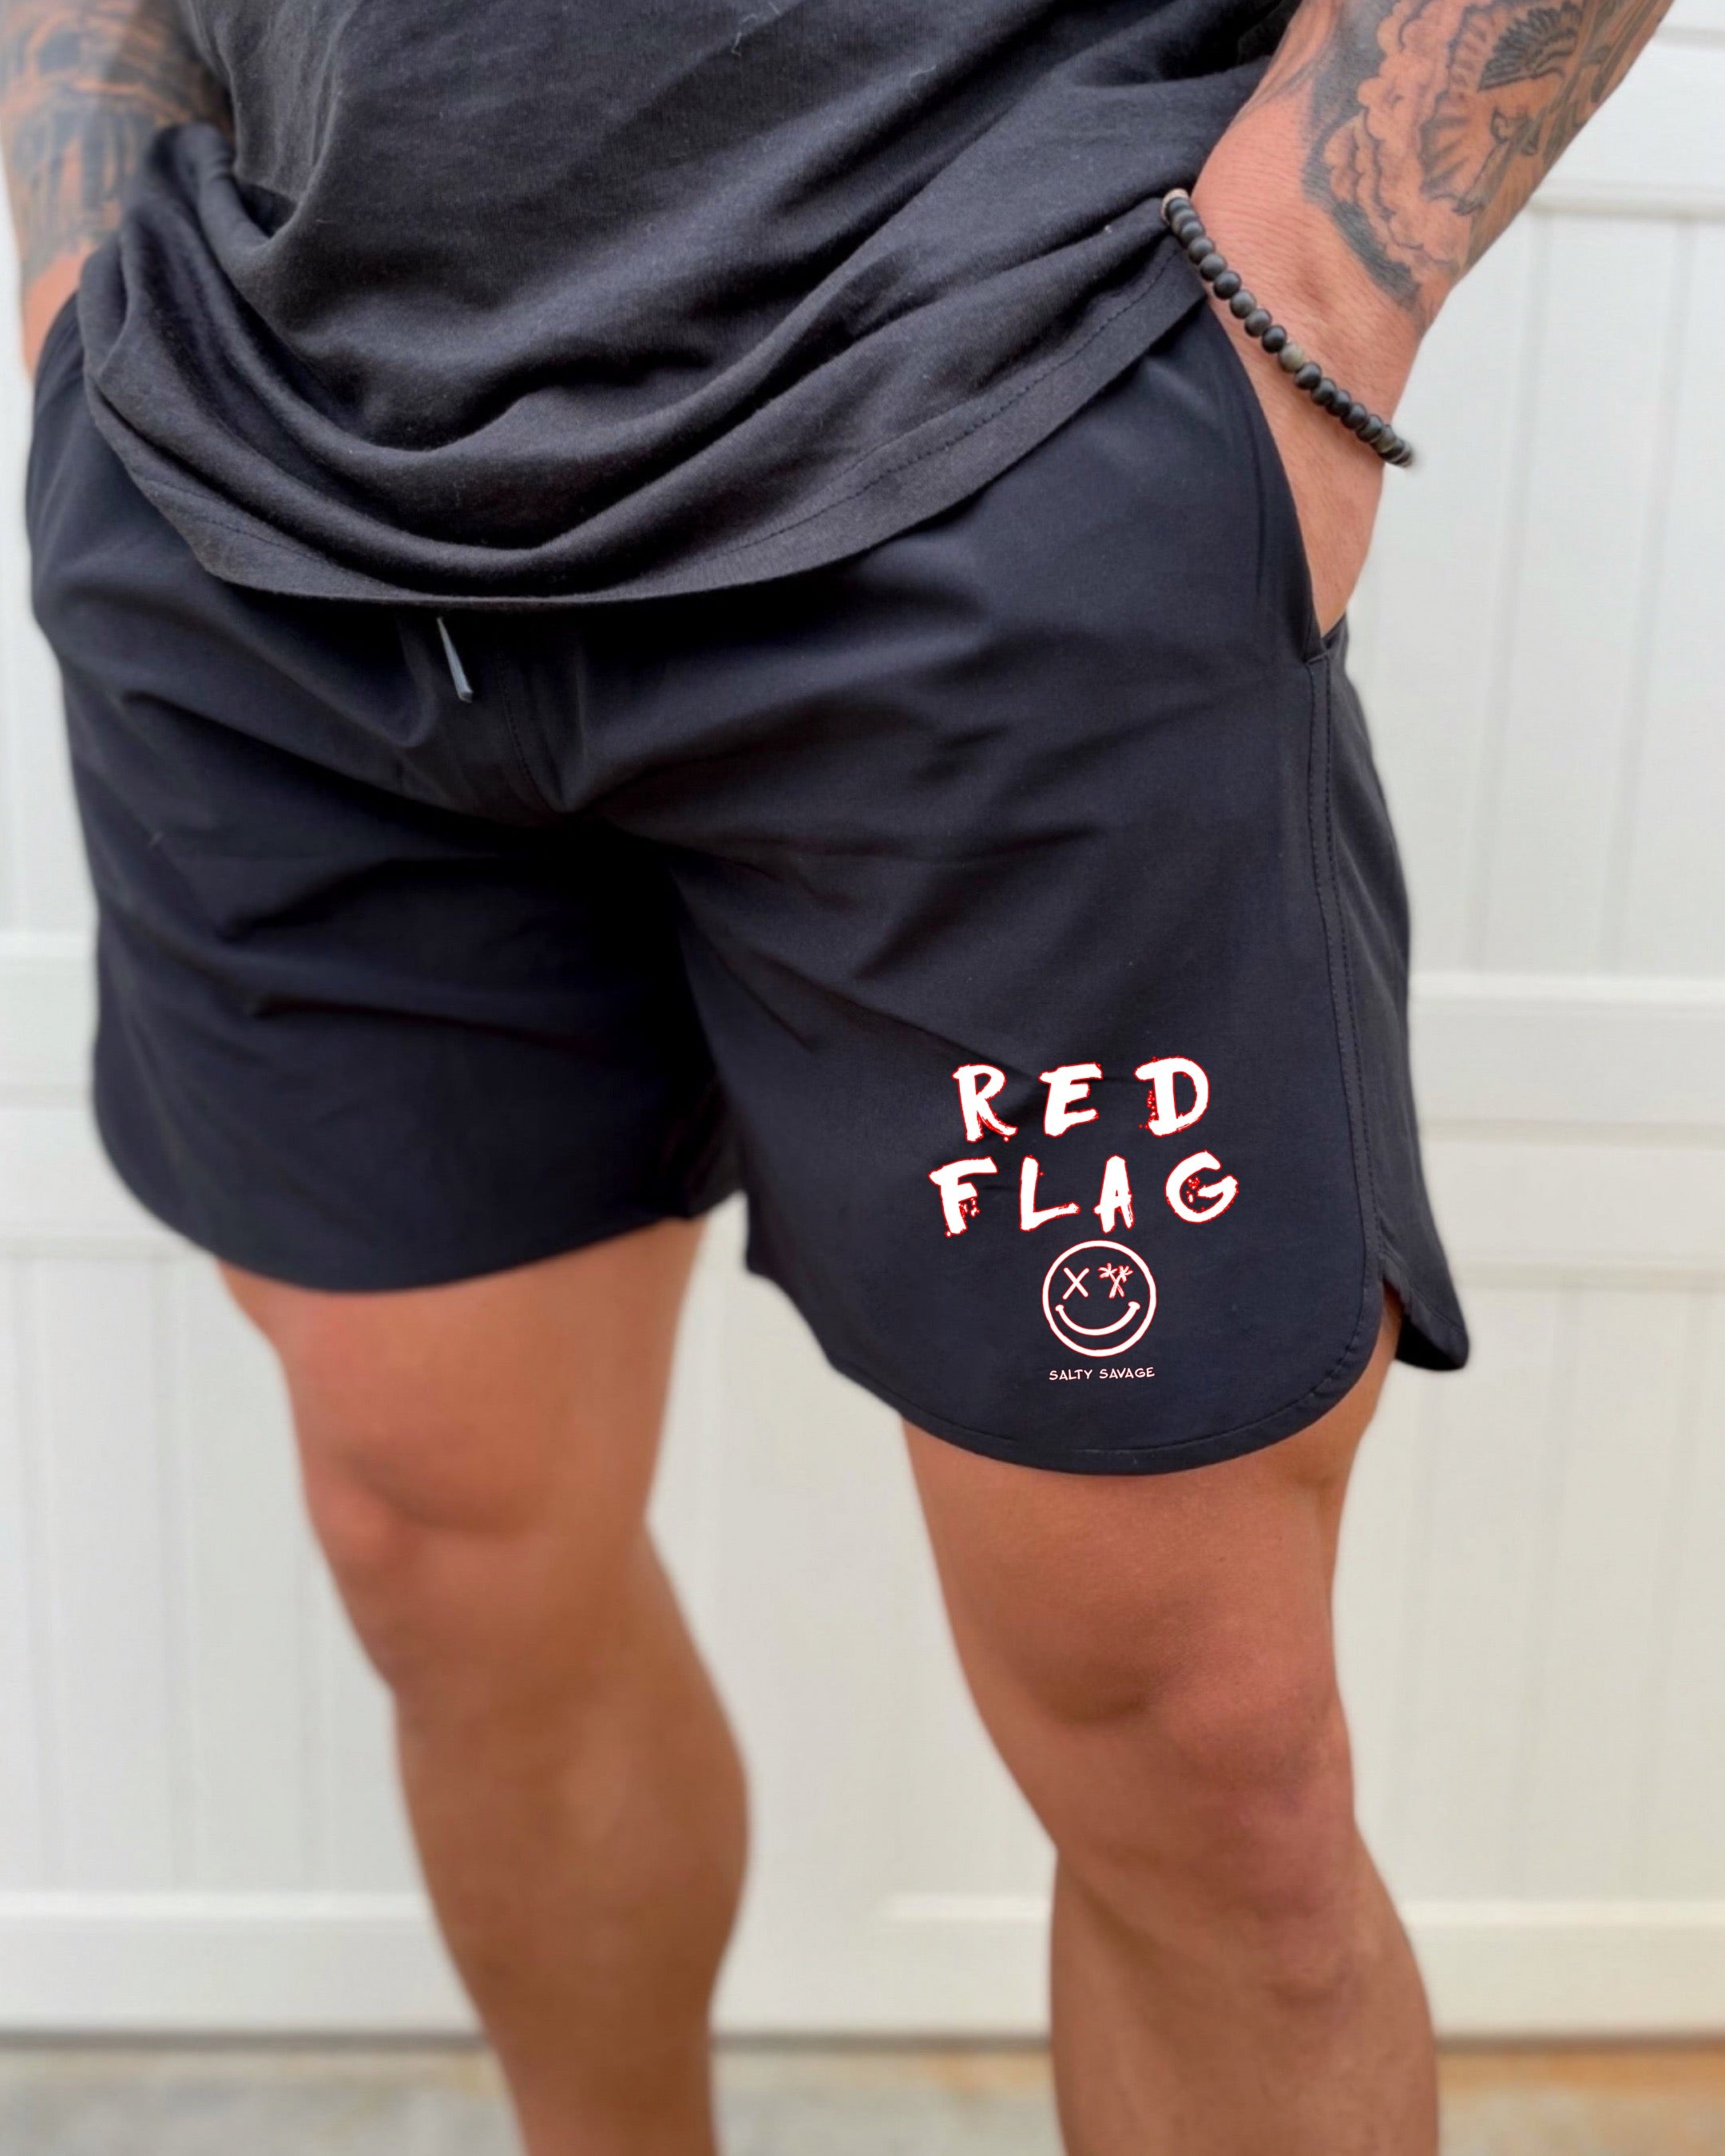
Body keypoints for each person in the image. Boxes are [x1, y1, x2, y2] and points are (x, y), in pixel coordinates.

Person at [0, 0, 1666, 2148]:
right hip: (262, 496)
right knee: (438, 1537)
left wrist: (1312, 316)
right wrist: (73, 285)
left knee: (1193, 1739)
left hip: (989, 443)